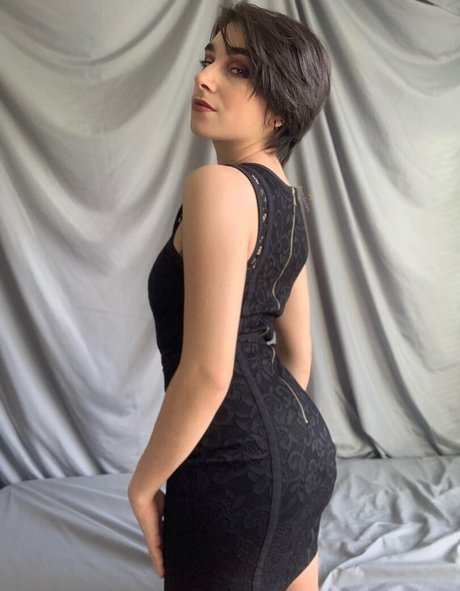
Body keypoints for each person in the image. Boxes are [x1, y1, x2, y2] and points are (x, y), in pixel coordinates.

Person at [128, 3, 337, 590]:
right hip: (306, 451)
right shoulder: (290, 203)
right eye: (209, 59)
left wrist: (143, 485)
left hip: (229, 469)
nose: (205, 77)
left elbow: (206, 372)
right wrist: (282, 449)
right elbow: (297, 357)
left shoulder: (217, 186)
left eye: (237, 69)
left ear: (282, 108)